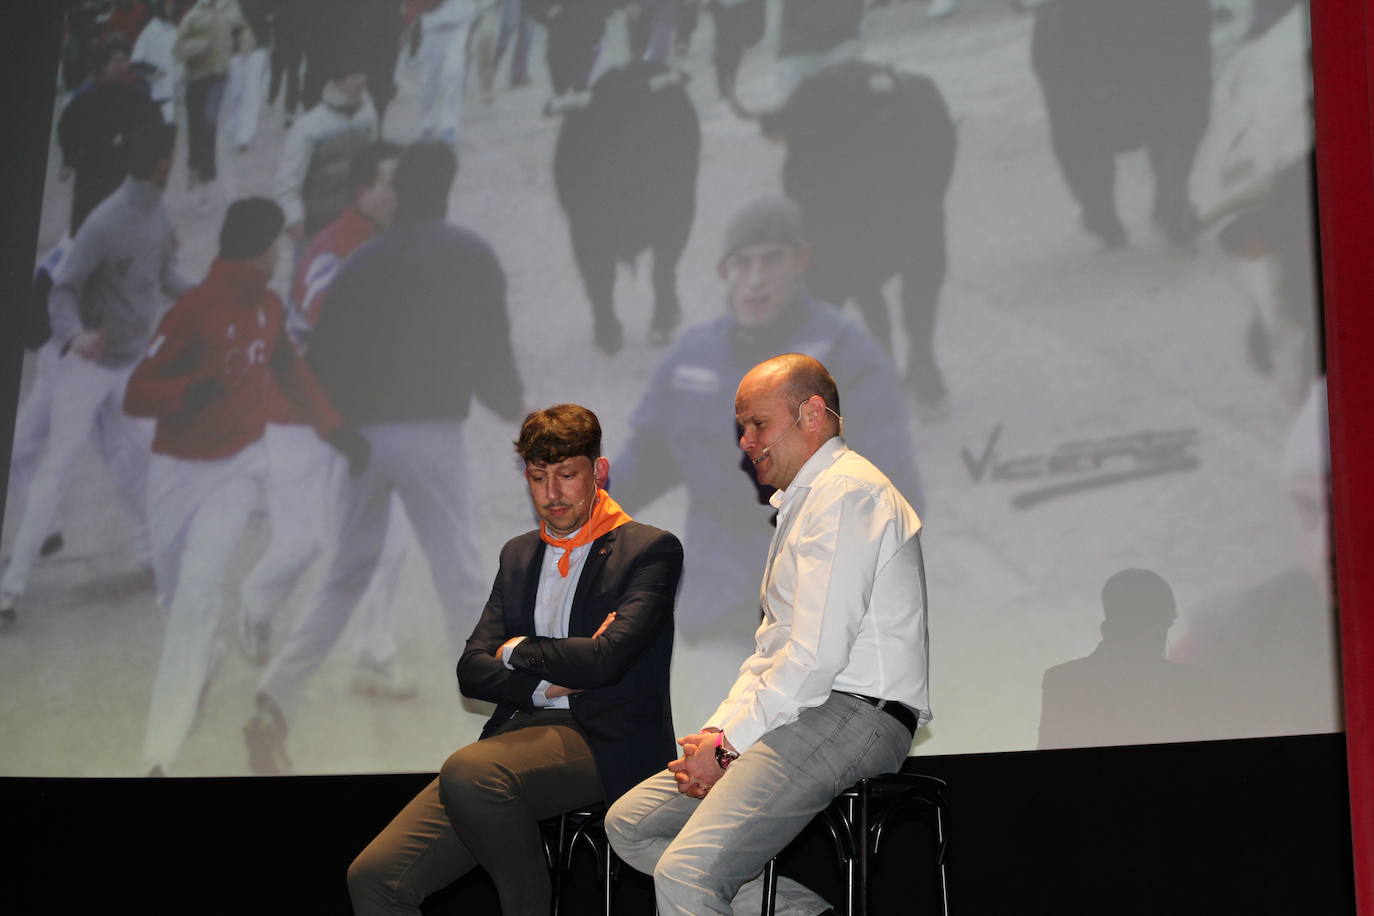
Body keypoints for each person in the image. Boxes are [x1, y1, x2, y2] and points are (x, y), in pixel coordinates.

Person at [606, 353, 931, 915]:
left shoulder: (847, 492)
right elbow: (770, 655)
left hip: (855, 714)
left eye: (757, 424)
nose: (746, 441)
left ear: (811, 414)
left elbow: (814, 660)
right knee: (631, 825)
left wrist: (728, 750)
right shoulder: (807, 502)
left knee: (686, 875)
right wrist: (716, 733)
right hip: (810, 709)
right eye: (741, 428)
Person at [245, 140, 527, 773]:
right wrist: (510, 402)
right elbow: (492, 355)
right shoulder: (470, 255)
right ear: (449, 184)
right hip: (431, 435)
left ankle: (274, 700)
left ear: (399, 192)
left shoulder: (362, 261)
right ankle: (495, 711)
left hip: (362, 439)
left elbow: (318, 361)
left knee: (346, 573)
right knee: (455, 567)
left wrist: (344, 431)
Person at [347, 403, 683, 915]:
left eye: (567, 475)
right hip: (516, 738)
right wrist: (543, 682)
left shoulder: (649, 550)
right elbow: (471, 669)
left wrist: (516, 650)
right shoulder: (518, 554)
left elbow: (603, 663)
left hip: (607, 741)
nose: (551, 494)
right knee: (374, 879)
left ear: (599, 471)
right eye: (538, 477)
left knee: (472, 772)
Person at [612, 196, 922, 678]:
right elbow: (640, 468)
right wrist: (576, 496)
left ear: (801, 261)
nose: (755, 279)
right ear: (724, 272)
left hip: (822, 628)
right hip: (719, 615)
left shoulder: (846, 356)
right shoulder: (690, 361)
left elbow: (895, 491)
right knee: (714, 750)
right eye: (742, 263)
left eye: (771, 260)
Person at [122, 196, 362, 776]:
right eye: (276, 244)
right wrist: (187, 394)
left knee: (196, 600)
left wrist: (337, 431)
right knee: (173, 592)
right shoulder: (193, 311)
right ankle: (203, 661)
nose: (281, 253)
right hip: (176, 472)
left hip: (237, 471)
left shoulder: (269, 308)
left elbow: (292, 375)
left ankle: (159, 752)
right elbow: (137, 392)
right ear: (260, 249)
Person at [240, 142, 414, 698]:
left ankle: (373, 653)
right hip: (298, 418)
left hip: (351, 419)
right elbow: (325, 329)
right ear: (363, 191)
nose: (400, 192)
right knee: (303, 543)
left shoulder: (389, 241)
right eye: (391, 182)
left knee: (389, 540)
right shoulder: (334, 248)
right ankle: (254, 605)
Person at [0, 123, 190, 630]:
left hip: (128, 364)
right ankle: (8, 589)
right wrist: (76, 337)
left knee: (148, 454)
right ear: (162, 164)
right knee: (54, 468)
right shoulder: (102, 224)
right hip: (82, 369)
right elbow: (58, 291)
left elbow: (167, 275)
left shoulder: (158, 212)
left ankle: (155, 554)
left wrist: (210, 291)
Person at [55, 39, 165, 234]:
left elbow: (154, 124)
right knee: (89, 225)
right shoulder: (85, 96)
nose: (123, 66)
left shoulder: (138, 90)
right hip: (93, 169)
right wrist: (69, 161)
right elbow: (67, 129)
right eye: (116, 61)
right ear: (102, 67)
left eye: (125, 60)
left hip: (126, 168)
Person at [275, 55, 380, 243]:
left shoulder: (368, 115)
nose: (361, 80)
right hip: (318, 222)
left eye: (362, 74)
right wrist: (294, 219)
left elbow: (374, 165)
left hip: (358, 218)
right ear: (338, 80)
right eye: (353, 75)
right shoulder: (309, 126)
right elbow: (287, 181)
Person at [174, 0, 254, 192]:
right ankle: (194, 164)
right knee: (195, 124)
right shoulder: (194, 14)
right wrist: (199, 46)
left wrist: (245, 43)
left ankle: (208, 173)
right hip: (195, 77)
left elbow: (242, 28)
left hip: (218, 75)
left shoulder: (231, 7)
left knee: (209, 120)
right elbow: (178, 48)